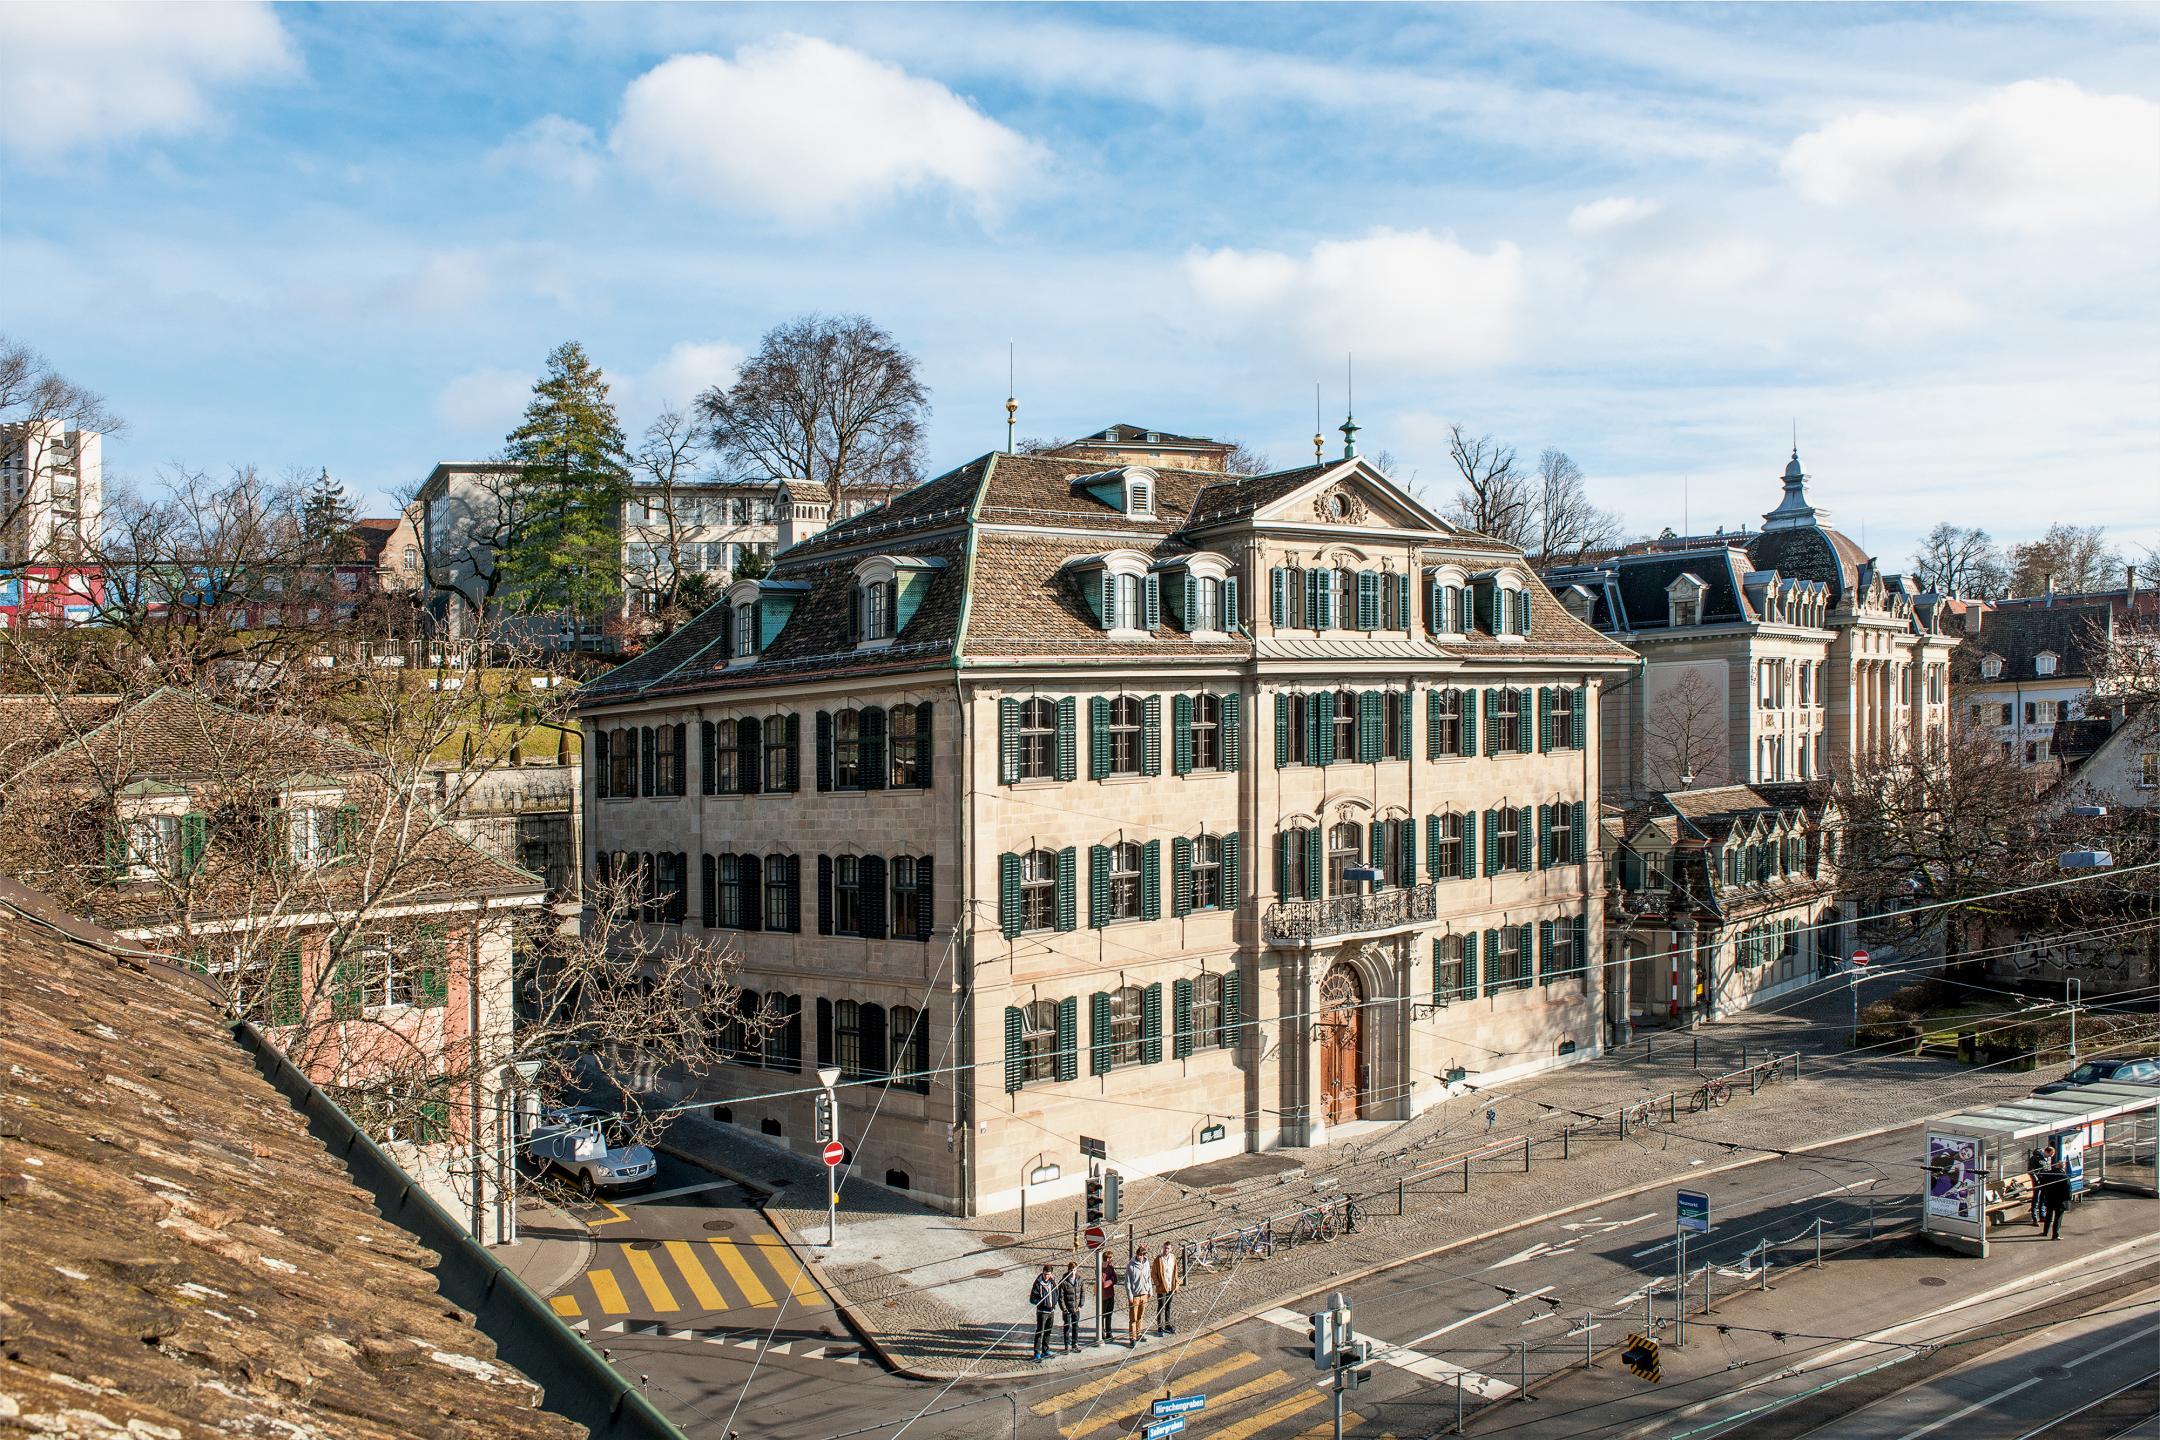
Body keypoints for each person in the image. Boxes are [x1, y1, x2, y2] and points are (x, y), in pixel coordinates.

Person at [1124, 1245, 1153, 1346]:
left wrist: (1150, 1289)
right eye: (1140, 1254)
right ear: (1137, 1254)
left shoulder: (1146, 1263)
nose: (1142, 1256)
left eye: (1144, 1254)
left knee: (1140, 1315)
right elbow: (1127, 1282)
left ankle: (1139, 1333)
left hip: (1144, 1293)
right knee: (1133, 1317)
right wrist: (1130, 1295)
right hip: (1135, 1295)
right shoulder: (1131, 1265)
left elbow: (1148, 1277)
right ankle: (1132, 1337)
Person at [1028, 1265, 1059, 1361]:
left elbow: (1057, 1293)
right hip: (1042, 1312)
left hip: (1051, 1311)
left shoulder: (1052, 1282)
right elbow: (1032, 1299)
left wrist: (1054, 1302)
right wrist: (1042, 1302)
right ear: (1042, 1272)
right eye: (1045, 1274)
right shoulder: (1038, 1283)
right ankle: (1037, 1352)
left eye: (1048, 1275)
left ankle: (1045, 1350)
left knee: (1048, 1332)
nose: (1047, 1277)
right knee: (1039, 1332)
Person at [1149, 1242, 1180, 1335]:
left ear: (1170, 1249)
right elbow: (1153, 1273)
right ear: (1163, 1248)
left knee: (1168, 1306)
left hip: (1171, 1286)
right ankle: (1159, 1326)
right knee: (1161, 1306)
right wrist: (1158, 1284)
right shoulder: (1158, 1259)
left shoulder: (1173, 1258)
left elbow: (1175, 1271)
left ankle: (1167, 1324)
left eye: (1168, 1248)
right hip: (1162, 1287)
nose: (1166, 1250)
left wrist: (1176, 1283)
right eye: (1165, 1248)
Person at [1057, 1259, 1086, 1354]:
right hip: (1067, 1309)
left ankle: (1075, 1344)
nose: (1073, 1272)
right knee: (1067, 1327)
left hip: (1076, 1308)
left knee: (1075, 1326)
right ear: (1068, 1270)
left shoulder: (1080, 1279)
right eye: (1071, 1270)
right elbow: (1060, 1297)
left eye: (1074, 1270)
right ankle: (1066, 1346)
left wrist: (1081, 1305)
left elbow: (1082, 1292)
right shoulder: (1063, 1282)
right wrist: (1064, 1309)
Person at [2039, 1162, 2072, 1241]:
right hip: (2060, 1201)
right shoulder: (2064, 1177)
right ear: (2063, 1167)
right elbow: (2068, 1190)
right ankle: (2055, 1235)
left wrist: (2045, 1195)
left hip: (2050, 1198)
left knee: (2048, 1215)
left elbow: (2043, 1185)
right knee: (2058, 1218)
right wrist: (2068, 1199)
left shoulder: (2049, 1174)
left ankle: (2045, 1231)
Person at [2025, 1145, 2047, 1226]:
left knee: (2043, 1198)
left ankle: (2042, 1215)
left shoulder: (2044, 1158)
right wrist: (2036, 1179)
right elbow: (2031, 1171)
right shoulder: (2035, 1158)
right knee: (2036, 1198)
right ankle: (2035, 1218)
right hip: (2038, 1181)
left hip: (2043, 1180)